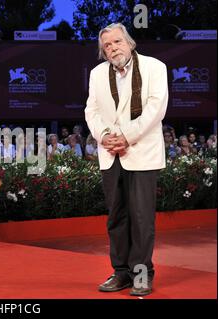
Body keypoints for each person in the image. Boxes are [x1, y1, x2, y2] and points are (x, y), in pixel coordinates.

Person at [85, 23, 168, 296]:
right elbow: (91, 111)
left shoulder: (155, 67)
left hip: (141, 152)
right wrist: (105, 135)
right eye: (107, 45)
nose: (113, 48)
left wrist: (126, 136)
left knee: (142, 218)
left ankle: (142, 275)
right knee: (116, 217)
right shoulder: (97, 74)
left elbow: (156, 109)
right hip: (110, 153)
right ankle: (121, 273)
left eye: (117, 42)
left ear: (129, 43)